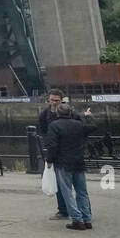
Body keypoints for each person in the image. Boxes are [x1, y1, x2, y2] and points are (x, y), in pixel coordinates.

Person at [37, 89, 92, 220]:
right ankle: (66, 211)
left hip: (68, 152)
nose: (54, 103)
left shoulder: (70, 113)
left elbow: (81, 126)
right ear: (48, 100)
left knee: (72, 187)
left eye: (56, 100)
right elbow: (44, 132)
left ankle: (80, 214)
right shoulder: (44, 115)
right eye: (51, 100)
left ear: (62, 100)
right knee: (65, 186)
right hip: (59, 152)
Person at [43, 102, 98, 230]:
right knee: (82, 191)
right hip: (79, 161)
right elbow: (93, 127)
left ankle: (77, 219)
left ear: (57, 113)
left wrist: (49, 160)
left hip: (63, 162)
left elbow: (52, 145)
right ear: (70, 113)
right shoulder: (79, 125)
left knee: (67, 191)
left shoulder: (54, 126)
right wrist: (89, 116)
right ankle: (87, 219)